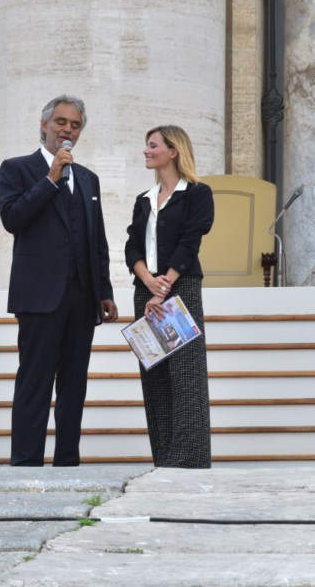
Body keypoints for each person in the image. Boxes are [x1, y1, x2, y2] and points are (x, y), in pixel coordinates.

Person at [0, 95, 119, 466]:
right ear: (44, 124)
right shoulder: (16, 169)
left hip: (81, 298)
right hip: (38, 297)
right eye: (61, 122)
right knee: (34, 382)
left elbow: (96, 239)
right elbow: (13, 219)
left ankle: (67, 461)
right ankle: (26, 463)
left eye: (75, 125)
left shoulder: (87, 178)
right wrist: (50, 179)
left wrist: (105, 291)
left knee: (74, 384)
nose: (67, 130)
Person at [124, 125, 215, 468]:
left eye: (152, 145)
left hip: (180, 291)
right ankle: (163, 459)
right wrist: (147, 279)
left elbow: (192, 239)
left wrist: (165, 285)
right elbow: (132, 246)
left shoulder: (197, 193)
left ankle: (188, 459)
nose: (146, 151)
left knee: (186, 376)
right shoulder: (143, 201)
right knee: (156, 380)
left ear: (173, 150)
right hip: (146, 293)